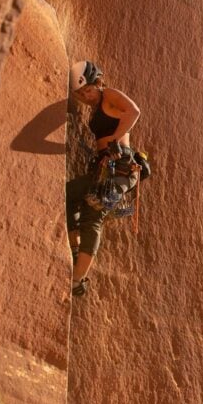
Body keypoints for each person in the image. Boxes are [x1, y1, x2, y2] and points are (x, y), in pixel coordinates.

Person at [67, 60, 140, 296]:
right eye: (80, 93)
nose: (86, 96)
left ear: (98, 82)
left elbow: (134, 112)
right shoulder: (97, 105)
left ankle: (78, 279)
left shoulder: (108, 95)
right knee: (69, 193)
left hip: (120, 167)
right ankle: (76, 250)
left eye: (88, 89)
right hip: (104, 167)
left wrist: (114, 140)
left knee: (94, 214)